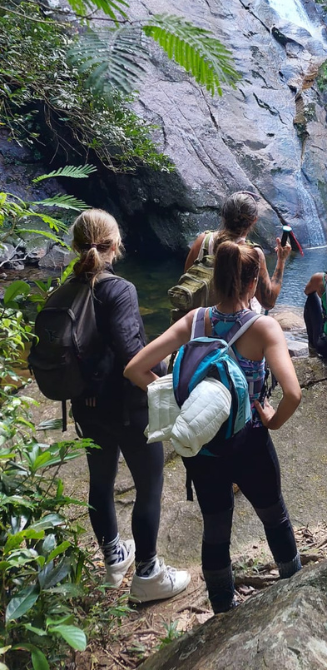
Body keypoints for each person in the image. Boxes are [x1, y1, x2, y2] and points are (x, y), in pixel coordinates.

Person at [125, 241, 302, 614]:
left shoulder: (195, 321)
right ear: (252, 284)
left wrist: (175, 400)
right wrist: (273, 420)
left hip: (205, 449)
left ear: (217, 279)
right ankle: (295, 592)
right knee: (275, 516)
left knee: (216, 528)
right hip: (251, 442)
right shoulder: (264, 328)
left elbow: (135, 369)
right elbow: (292, 394)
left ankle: (223, 610)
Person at [68, 210, 190, 602]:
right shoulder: (118, 289)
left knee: (100, 482)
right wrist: (161, 386)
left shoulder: (67, 288)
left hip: (87, 405)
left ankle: (114, 557)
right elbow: (128, 352)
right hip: (126, 405)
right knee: (149, 483)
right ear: (114, 244)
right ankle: (148, 574)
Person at [185, 190, 292, 312]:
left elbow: (188, 280)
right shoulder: (254, 254)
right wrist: (281, 260)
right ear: (254, 221)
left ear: (223, 215)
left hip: (203, 321)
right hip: (240, 326)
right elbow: (268, 302)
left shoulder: (203, 240)